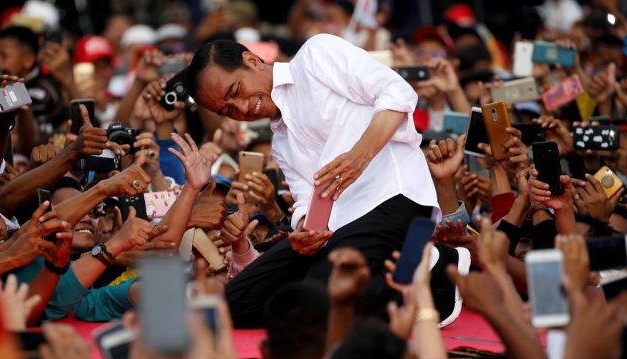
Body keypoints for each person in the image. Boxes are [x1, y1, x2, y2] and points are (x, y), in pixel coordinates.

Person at [184, 34, 439, 326]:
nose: (241, 108)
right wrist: (306, 231)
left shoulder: (316, 55)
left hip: (392, 199)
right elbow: (306, 203)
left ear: (252, 61)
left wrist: (360, 155)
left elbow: (397, 92)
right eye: (227, 110)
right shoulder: (280, 141)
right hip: (335, 232)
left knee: (316, 304)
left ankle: (437, 271)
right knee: (233, 305)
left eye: (236, 90)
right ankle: (379, 274)